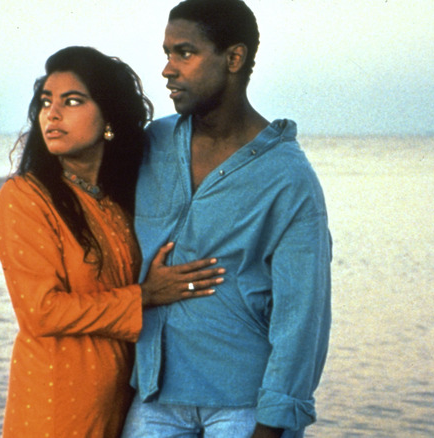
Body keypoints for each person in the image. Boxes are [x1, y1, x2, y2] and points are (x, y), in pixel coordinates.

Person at [0, 46, 223, 438]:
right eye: (46, 103)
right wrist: (144, 295)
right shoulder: (25, 199)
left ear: (109, 117)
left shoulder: (118, 200)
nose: (53, 114)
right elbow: (40, 312)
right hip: (54, 406)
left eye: (72, 101)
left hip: (121, 401)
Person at [123, 1, 332, 437]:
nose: (167, 69)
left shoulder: (288, 177)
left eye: (184, 53)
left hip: (241, 407)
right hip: (152, 399)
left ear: (234, 58)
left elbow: (303, 315)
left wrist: (273, 423)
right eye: (166, 53)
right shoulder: (153, 143)